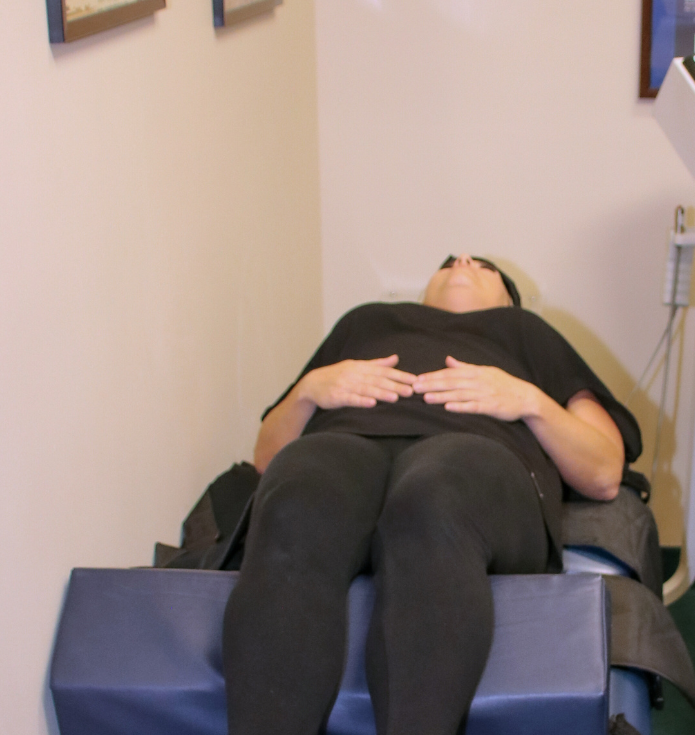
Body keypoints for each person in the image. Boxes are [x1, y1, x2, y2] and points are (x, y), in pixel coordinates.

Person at [222, 254, 641, 735]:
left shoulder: (527, 332)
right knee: (297, 497)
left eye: (483, 266)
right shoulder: (365, 321)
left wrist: (530, 400)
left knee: (431, 500)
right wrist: (309, 390)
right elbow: (267, 456)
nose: (462, 260)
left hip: (478, 455)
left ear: (509, 300)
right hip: (345, 445)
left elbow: (605, 470)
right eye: (449, 261)